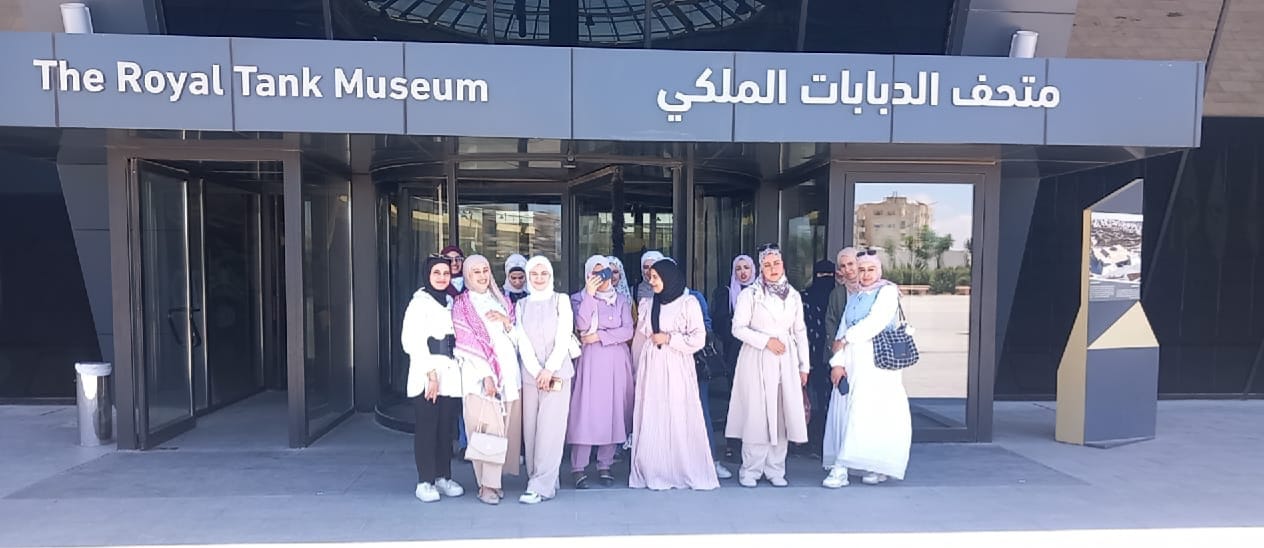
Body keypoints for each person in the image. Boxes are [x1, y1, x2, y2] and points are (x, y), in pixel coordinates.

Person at [821, 251, 912, 489]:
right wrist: (837, 362)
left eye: (871, 269)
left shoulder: (887, 292)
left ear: (879, 270)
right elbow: (842, 328)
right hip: (853, 363)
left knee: (871, 415)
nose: (866, 274)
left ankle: (857, 466)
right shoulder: (857, 294)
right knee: (849, 413)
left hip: (876, 366)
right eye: (862, 270)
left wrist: (845, 340)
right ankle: (850, 465)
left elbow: (874, 323)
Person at [629, 259, 721, 491]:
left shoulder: (688, 303)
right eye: (650, 277)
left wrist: (670, 339)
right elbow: (641, 337)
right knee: (654, 414)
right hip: (653, 366)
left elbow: (698, 338)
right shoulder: (649, 304)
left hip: (678, 365)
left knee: (679, 413)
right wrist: (636, 368)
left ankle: (681, 467)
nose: (652, 281)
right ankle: (655, 467)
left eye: (656, 277)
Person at [725, 244, 811, 488]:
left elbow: (800, 331)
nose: (773, 269)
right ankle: (750, 469)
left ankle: (775, 468)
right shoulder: (750, 294)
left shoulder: (793, 295)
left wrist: (804, 366)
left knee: (781, 413)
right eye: (767, 265)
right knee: (757, 413)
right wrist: (766, 341)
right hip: (757, 357)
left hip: (786, 359)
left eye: (777, 263)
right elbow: (738, 328)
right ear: (761, 268)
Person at [452, 255, 522, 505]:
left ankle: (494, 481)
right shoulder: (462, 304)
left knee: (503, 432)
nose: (482, 276)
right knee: (486, 432)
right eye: (476, 272)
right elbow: (465, 343)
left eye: (485, 270)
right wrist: (487, 376)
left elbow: (517, 339)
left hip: (509, 375)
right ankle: (486, 486)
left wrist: (506, 323)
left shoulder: (501, 299)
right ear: (467, 276)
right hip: (480, 378)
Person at [400, 255, 465, 503]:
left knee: (445, 429)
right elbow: (412, 341)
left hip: (450, 373)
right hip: (427, 374)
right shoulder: (419, 303)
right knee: (427, 428)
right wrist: (430, 374)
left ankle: (443, 477)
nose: (441, 277)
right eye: (436, 273)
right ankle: (425, 480)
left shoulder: (451, 301)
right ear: (427, 275)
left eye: (446, 273)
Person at [567, 255, 635, 489]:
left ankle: (605, 464)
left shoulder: (622, 300)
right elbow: (582, 325)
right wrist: (590, 294)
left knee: (613, 411)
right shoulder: (578, 299)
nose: (602, 278)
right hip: (591, 362)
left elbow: (627, 331)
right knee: (586, 411)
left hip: (616, 362)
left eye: (605, 273)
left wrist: (599, 336)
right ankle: (578, 467)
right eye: (595, 274)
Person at [514, 256, 574, 504]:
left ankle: (540, 486)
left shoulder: (561, 300)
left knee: (551, 430)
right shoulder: (521, 305)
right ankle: (540, 478)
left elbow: (564, 336)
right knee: (531, 431)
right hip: (531, 376)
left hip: (557, 373)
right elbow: (521, 340)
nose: (539, 278)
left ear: (551, 275)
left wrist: (549, 369)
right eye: (534, 274)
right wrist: (536, 370)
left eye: (543, 274)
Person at [709, 254, 756, 462]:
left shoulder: (761, 292)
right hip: (734, 353)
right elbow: (719, 324)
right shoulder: (726, 293)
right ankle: (733, 444)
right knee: (736, 399)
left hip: (758, 353)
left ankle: (754, 444)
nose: (743, 272)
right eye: (738, 268)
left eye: (747, 268)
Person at [802, 259, 837, 456]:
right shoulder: (805, 297)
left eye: (829, 275)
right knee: (812, 399)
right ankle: (811, 439)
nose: (825, 280)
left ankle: (828, 440)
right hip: (811, 355)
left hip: (834, 355)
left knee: (832, 399)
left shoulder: (839, 296)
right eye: (821, 275)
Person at [824, 247, 860, 362]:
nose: (847, 269)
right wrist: (835, 350)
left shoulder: (872, 289)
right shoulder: (837, 293)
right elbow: (831, 322)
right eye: (843, 266)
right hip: (843, 351)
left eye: (850, 264)